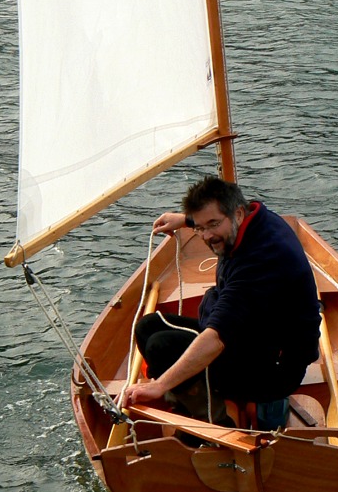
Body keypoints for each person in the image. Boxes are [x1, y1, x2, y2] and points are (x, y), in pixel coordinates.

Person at [121, 176, 320, 430]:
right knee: (147, 326)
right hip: (254, 337)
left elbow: (216, 339)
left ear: (237, 214)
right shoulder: (254, 216)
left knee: (161, 347)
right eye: (200, 227)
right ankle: (194, 391)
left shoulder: (261, 260)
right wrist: (184, 220)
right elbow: (214, 219)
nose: (206, 236)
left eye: (212, 225)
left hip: (273, 371)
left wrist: (160, 386)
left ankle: (215, 418)